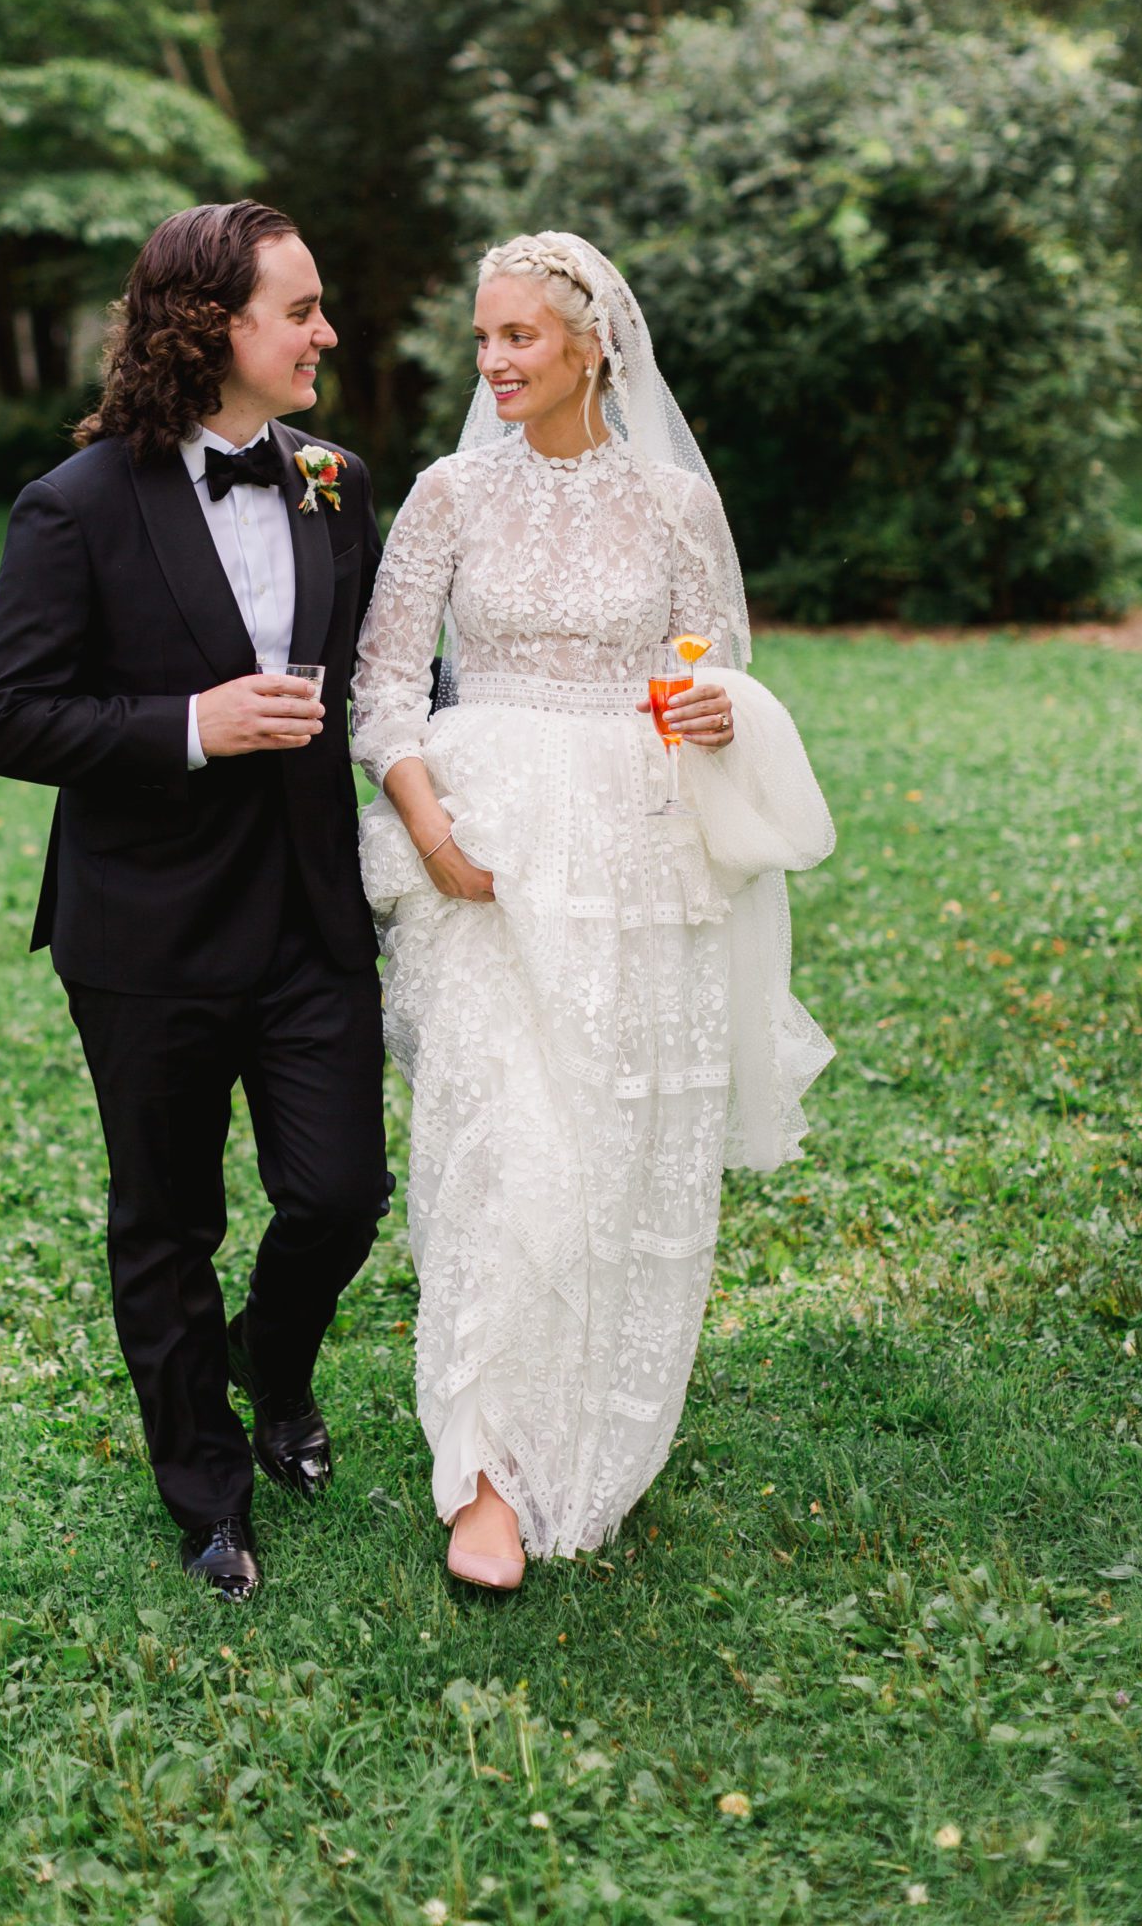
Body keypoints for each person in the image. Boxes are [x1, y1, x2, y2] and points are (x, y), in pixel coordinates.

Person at [351, 231, 834, 1590]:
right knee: (501, 1147)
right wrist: (430, 825)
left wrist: (708, 709)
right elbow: (385, 685)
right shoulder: (446, 497)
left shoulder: (677, 507)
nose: (494, 362)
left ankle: (587, 1432)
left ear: (589, 349)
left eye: (519, 339)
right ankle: (489, 1477)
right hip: (487, 854)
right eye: (485, 340)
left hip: (634, 855)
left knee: (611, 1153)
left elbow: (720, 673)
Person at [0, 201, 391, 1602]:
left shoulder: (337, 480)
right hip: (145, 933)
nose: (327, 332)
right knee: (167, 1223)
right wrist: (196, 723)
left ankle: (273, 1362)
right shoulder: (73, 505)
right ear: (212, 328)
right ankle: (209, 1494)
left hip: (311, 916)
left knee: (340, 1194)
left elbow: (391, 683)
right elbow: (12, 720)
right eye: (302, 310)